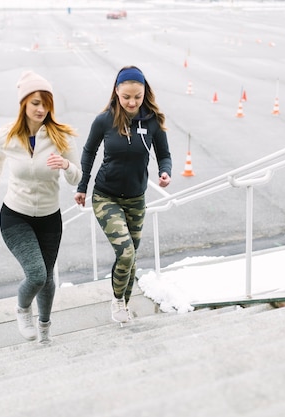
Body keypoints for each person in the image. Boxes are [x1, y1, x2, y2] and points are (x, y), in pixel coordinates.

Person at [0, 70, 82, 344]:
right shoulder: (6, 136)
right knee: (37, 274)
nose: (41, 109)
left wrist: (66, 166)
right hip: (15, 215)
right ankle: (23, 308)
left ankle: (45, 325)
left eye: (46, 103)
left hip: (50, 217)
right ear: (24, 104)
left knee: (48, 278)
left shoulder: (61, 137)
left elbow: (78, 176)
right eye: (35, 102)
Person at [74, 65, 172, 324]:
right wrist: (82, 186)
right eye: (126, 96)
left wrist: (165, 172)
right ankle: (118, 301)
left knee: (131, 256)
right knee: (126, 252)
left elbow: (164, 153)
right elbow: (88, 152)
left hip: (136, 199)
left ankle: (124, 305)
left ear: (144, 93)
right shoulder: (104, 120)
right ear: (117, 92)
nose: (132, 102)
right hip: (106, 196)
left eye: (137, 97)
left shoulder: (152, 120)